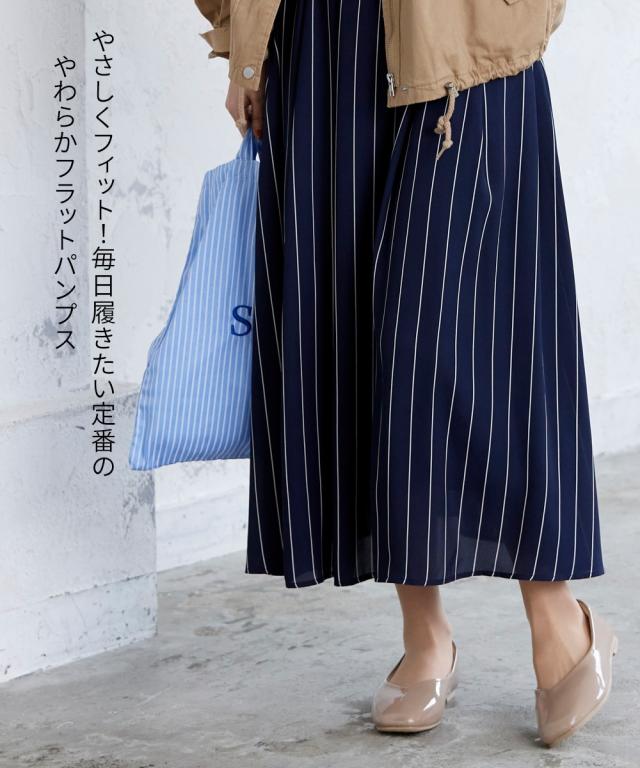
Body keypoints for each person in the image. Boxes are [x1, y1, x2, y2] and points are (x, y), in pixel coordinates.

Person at [193, 0, 617, 747]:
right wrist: (242, 34)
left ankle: (556, 612)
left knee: (483, 334)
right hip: (320, 40)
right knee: (362, 339)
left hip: (463, 35)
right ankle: (424, 634)